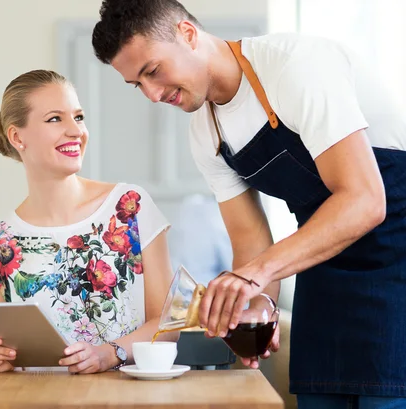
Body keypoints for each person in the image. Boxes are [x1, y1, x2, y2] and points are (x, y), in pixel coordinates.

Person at [91, 0, 406, 407]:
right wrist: (259, 305)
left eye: (153, 71)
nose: (152, 94)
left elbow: (365, 200)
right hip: (322, 266)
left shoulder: (296, 68)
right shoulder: (208, 134)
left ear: (188, 34)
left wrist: (253, 277)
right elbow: (250, 240)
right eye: (138, 84)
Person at [0, 69, 177, 374]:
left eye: (78, 117)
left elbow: (167, 325)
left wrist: (109, 354)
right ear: (17, 136)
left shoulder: (129, 206)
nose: (75, 131)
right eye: (55, 119)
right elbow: (11, 351)